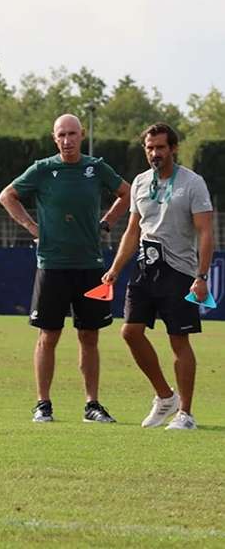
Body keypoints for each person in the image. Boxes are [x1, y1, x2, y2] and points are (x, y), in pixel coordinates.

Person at [0, 114, 131, 424]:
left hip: (90, 266)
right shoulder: (44, 170)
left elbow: (127, 193)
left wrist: (109, 221)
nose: (67, 140)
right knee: (49, 335)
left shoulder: (96, 168)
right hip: (52, 265)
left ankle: (92, 405)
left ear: (81, 135)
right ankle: (43, 404)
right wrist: (32, 226)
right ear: (54, 137)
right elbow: (7, 195)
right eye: (62, 135)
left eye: (72, 134)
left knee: (90, 337)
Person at [101, 123, 214, 430]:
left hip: (179, 271)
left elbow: (205, 233)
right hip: (144, 268)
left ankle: (186, 414)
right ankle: (165, 397)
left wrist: (201, 276)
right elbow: (133, 230)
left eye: (160, 147)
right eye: (150, 148)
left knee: (179, 340)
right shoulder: (139, 182)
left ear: (173, 149)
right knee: (130, 332)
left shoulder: (192, 183)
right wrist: (116, 267)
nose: (154, 153)